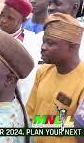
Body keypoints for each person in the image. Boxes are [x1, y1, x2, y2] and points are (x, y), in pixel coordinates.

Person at [26, 13, 84, 143]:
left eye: (50, 43)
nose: (43, 47)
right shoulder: (43, 71)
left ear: (72, 46)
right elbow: (31, 115)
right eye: (43, 41)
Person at [0, 0, 42, 103]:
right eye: (2, 15)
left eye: (10, 18)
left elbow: (27, 83)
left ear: (23, 21)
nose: (3, 20)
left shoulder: (31, 43)